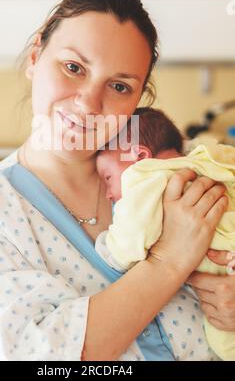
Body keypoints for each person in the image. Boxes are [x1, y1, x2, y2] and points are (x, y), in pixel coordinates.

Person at [0, 0, 231, 361]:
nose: (89, 102)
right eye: (73, 68)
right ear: (34, 56)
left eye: (119, 86)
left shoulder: (171, 176)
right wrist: (167, 263)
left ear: (137, 99)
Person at [95, 107, 235, 360]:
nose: (107, 193)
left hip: (217, 258)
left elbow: (131, 240)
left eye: (107, 177)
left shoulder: (143, 177)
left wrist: (108, 247)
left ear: (138, 155)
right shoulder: (204, 161)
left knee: (223, 343)